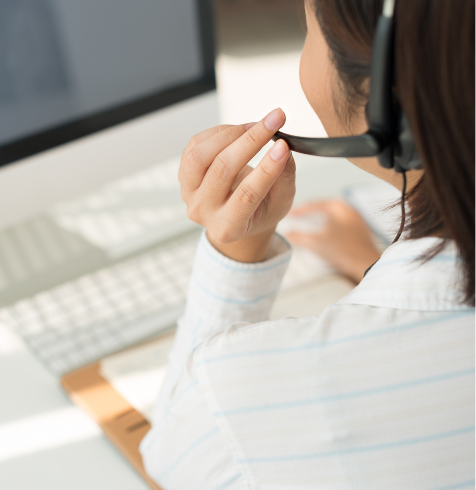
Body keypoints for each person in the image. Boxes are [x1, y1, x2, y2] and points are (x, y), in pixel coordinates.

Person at [139, 0, 475, 488]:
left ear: (388, 102)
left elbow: (171, 457)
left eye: (308, 27)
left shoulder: (259, 392)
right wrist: (370, 264)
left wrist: (235, 250)